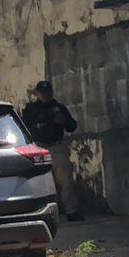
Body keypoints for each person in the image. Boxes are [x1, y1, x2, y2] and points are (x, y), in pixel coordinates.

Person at [22, 81, 82, 222]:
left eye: (48, 92)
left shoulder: (58, 108)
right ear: (37, 93)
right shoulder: (30, 110)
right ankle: (39, 212)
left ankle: (71, 211)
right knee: (37, 181)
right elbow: (23, 129)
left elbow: (72, 126)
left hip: (56, 147)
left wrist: (63, 122)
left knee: (65, 178)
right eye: (42, 92)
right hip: (38, 148)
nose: (45, 95)